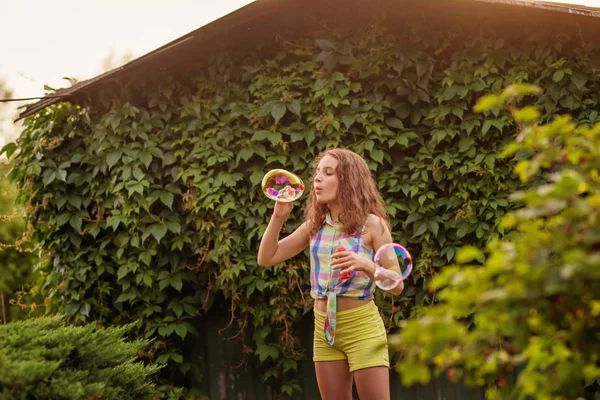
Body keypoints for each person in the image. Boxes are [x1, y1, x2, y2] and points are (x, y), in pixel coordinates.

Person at [257, 148, 404, 400]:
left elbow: (396, 284)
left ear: (348, 180)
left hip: (362, 328)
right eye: (317, 173)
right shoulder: (314, 226)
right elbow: (267, 258)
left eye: (327, 173)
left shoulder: (373, 226)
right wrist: (278, 218)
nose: (317, 178)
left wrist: (365, 264)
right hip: (324, 329)